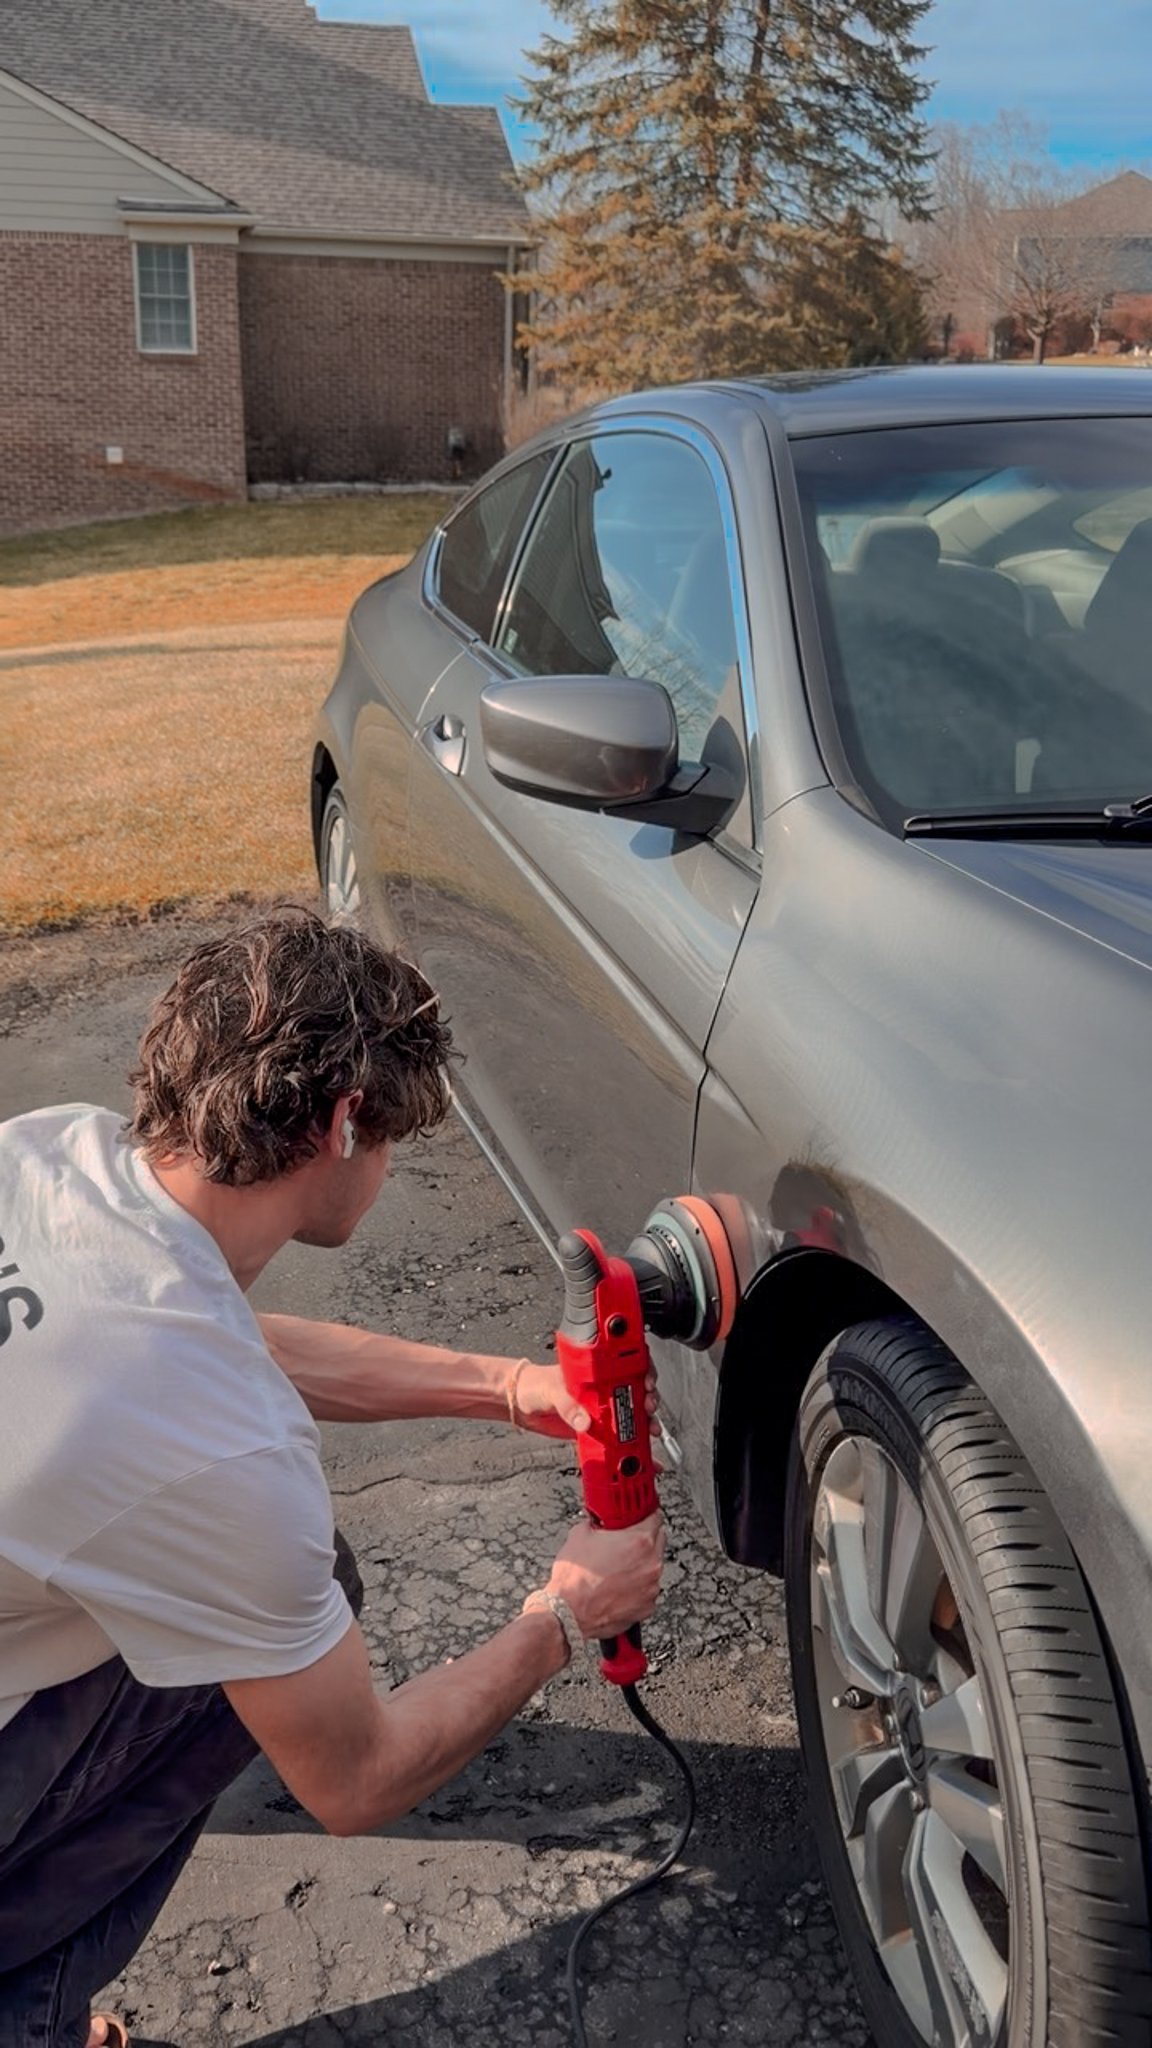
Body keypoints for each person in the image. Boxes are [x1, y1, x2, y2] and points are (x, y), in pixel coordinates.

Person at [0, 907, 664, 2048]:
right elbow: (355, 1780)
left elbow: (204, 1350)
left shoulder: (52, 1152)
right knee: (279, 1618)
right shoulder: (221, 1456)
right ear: (347, 1119)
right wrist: (564, 1613)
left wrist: (508, 1385)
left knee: (257, 1592)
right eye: (395, 1136)